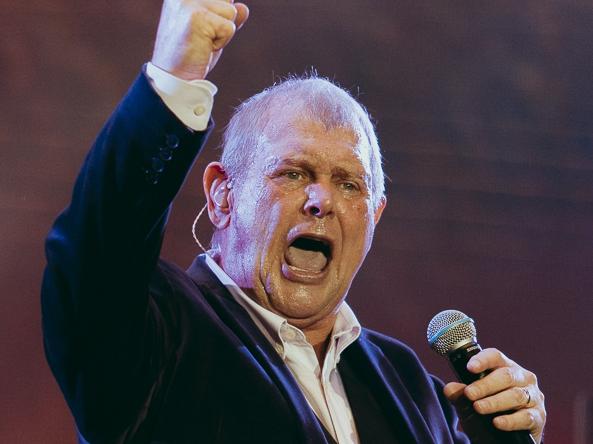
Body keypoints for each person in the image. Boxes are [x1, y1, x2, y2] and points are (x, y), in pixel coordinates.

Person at [41, 1, 546, 443]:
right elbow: (94, 255)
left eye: (350, 184)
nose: (321, 199)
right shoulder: (157, 334)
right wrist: (173, 83)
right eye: (293, 172)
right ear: (222, 197)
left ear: (375, 217)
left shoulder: (410, 388)